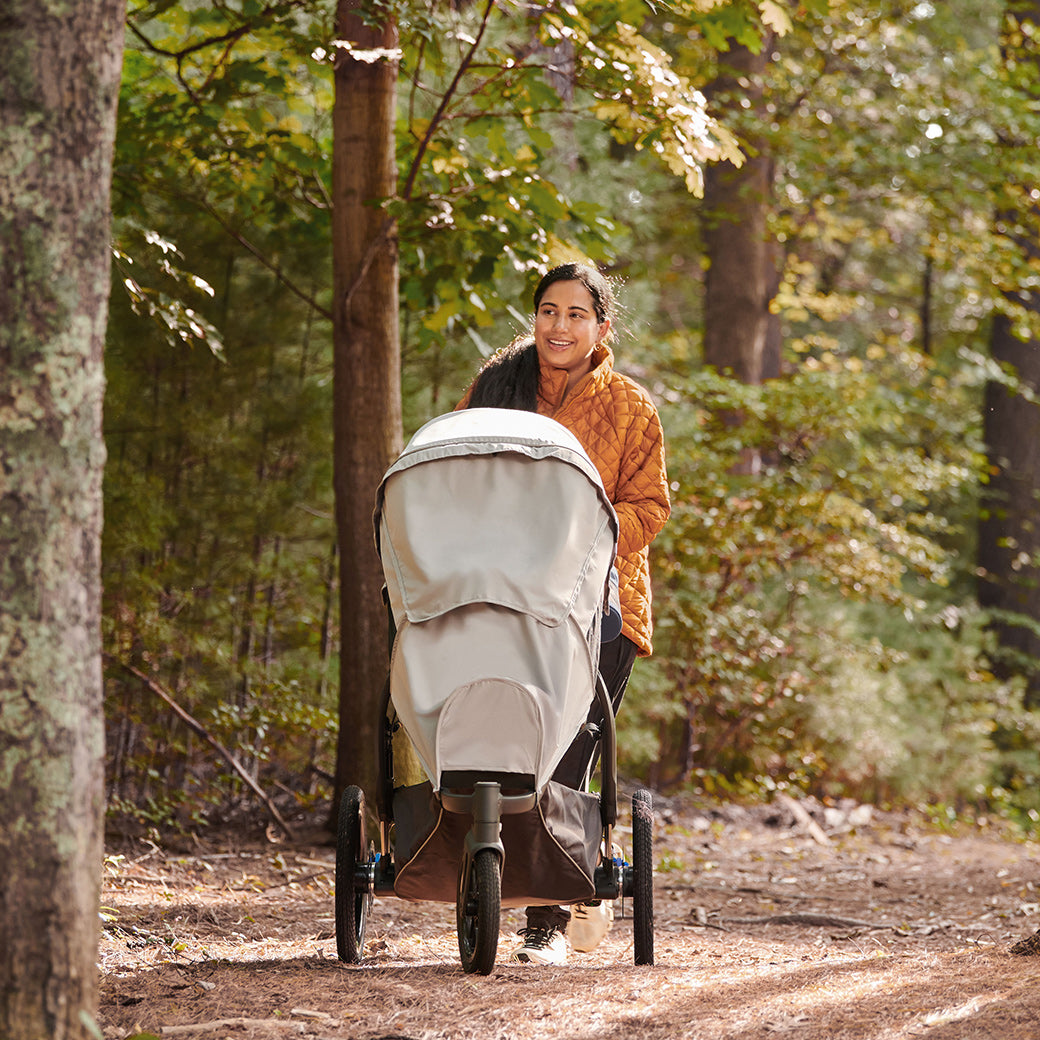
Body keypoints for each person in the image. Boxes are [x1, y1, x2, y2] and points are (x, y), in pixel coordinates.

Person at [457, 261, 670, 965]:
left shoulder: (631, 406)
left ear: (602, 327)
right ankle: (491, 872)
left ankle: (544, 924)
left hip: (601, 606)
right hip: (505, 596)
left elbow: (651, 506)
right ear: (535, 317)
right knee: (507, 747)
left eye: (577, 314)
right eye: (549, 311)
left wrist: (586, 539)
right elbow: (454, 471)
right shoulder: (497, 389)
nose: (560, 326)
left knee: (569, 753)